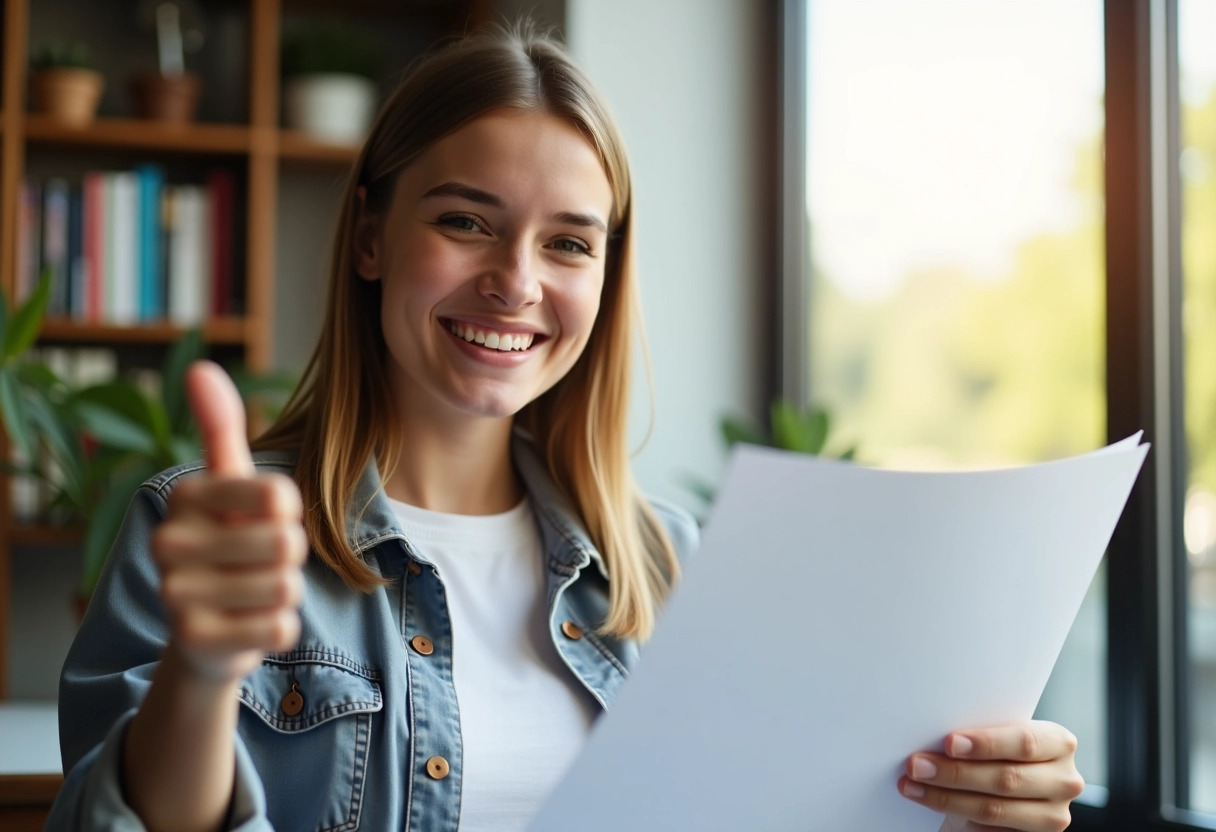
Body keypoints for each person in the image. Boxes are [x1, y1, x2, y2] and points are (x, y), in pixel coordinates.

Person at [45, 23, 1084, 832]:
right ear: (368, 233)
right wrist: (207, 669)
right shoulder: (198, 528)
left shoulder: (672, 562)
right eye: (465, 221)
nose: (514, 283)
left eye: (569, 244)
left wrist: (966, 803)